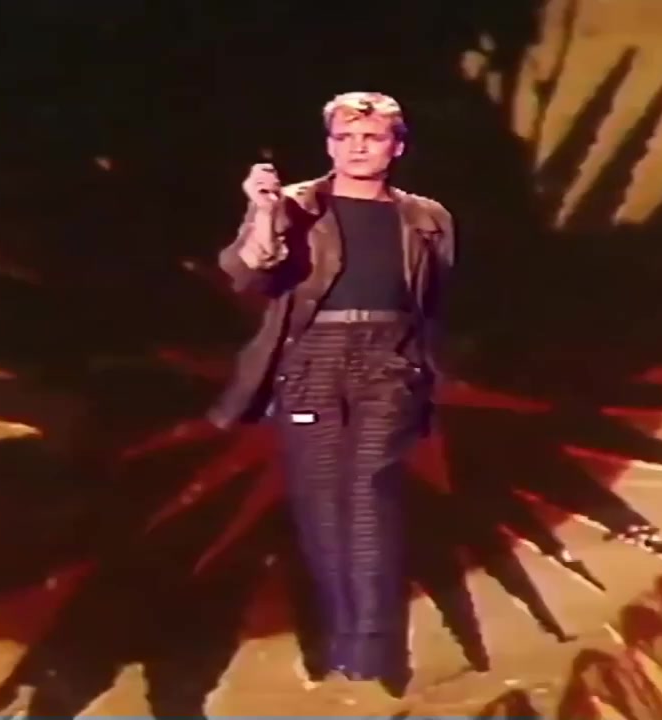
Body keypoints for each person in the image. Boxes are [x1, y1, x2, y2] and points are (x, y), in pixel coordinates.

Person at [208, 92, 456, 688]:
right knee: (320, 499)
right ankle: (344, 637)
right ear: (329, 144)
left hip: (388, 360)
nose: (357, 148)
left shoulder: (427, 217)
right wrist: (262, 211)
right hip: (313, 358)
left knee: (369, 489)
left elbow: (435, 296)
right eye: (345, 138)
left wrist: (422, 365)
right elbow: (248, 270)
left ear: (396, 147)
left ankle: (374, 648)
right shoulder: (295, 205)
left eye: (371, 138)